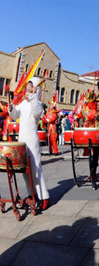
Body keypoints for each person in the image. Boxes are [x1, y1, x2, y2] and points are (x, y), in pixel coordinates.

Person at [8, 77, 50, 210]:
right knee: (24, 170)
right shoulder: (23, 104)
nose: (26, 93)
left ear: (35, 91)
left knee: (35, 168)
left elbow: (37, 112)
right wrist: (11, 108)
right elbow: (15, 115)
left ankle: (44, 197)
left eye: (30, 90)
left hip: (32, 141)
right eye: (26, 90)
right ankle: (31, 194)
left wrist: (33, 97)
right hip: (22, 141)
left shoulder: (36, 104)